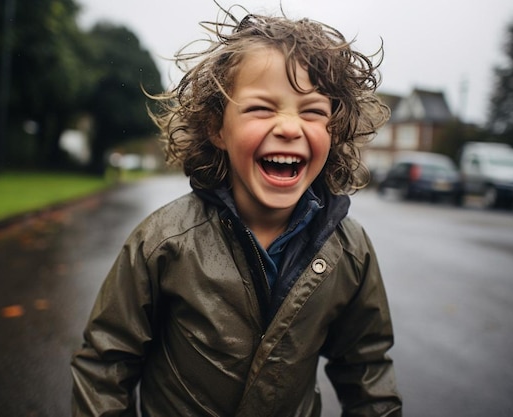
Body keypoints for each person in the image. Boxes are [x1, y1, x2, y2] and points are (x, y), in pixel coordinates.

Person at [71, 4, 402, 416]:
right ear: (217, 128)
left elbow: (367, 371)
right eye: (262, 108)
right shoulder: (164, 242)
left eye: (313, 111)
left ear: (334, 130)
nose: (289, 127)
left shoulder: (349, 251)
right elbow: (105, 363)